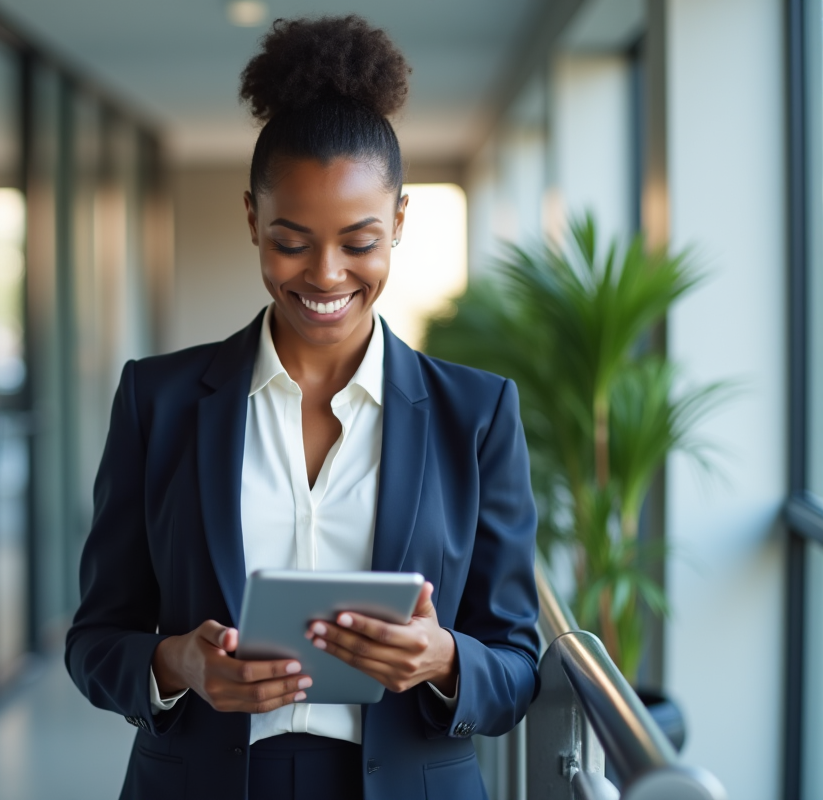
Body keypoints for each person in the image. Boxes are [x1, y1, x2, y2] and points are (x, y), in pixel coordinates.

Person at [65, 15, 539, 800]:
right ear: (252, 218)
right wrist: (177, 663)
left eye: (359, 240)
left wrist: (446, 659)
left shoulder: (478, 415)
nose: (325, 274)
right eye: (292, 239)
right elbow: (93, 642)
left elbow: (518, 664)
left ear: (399, 223)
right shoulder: (159, 401)